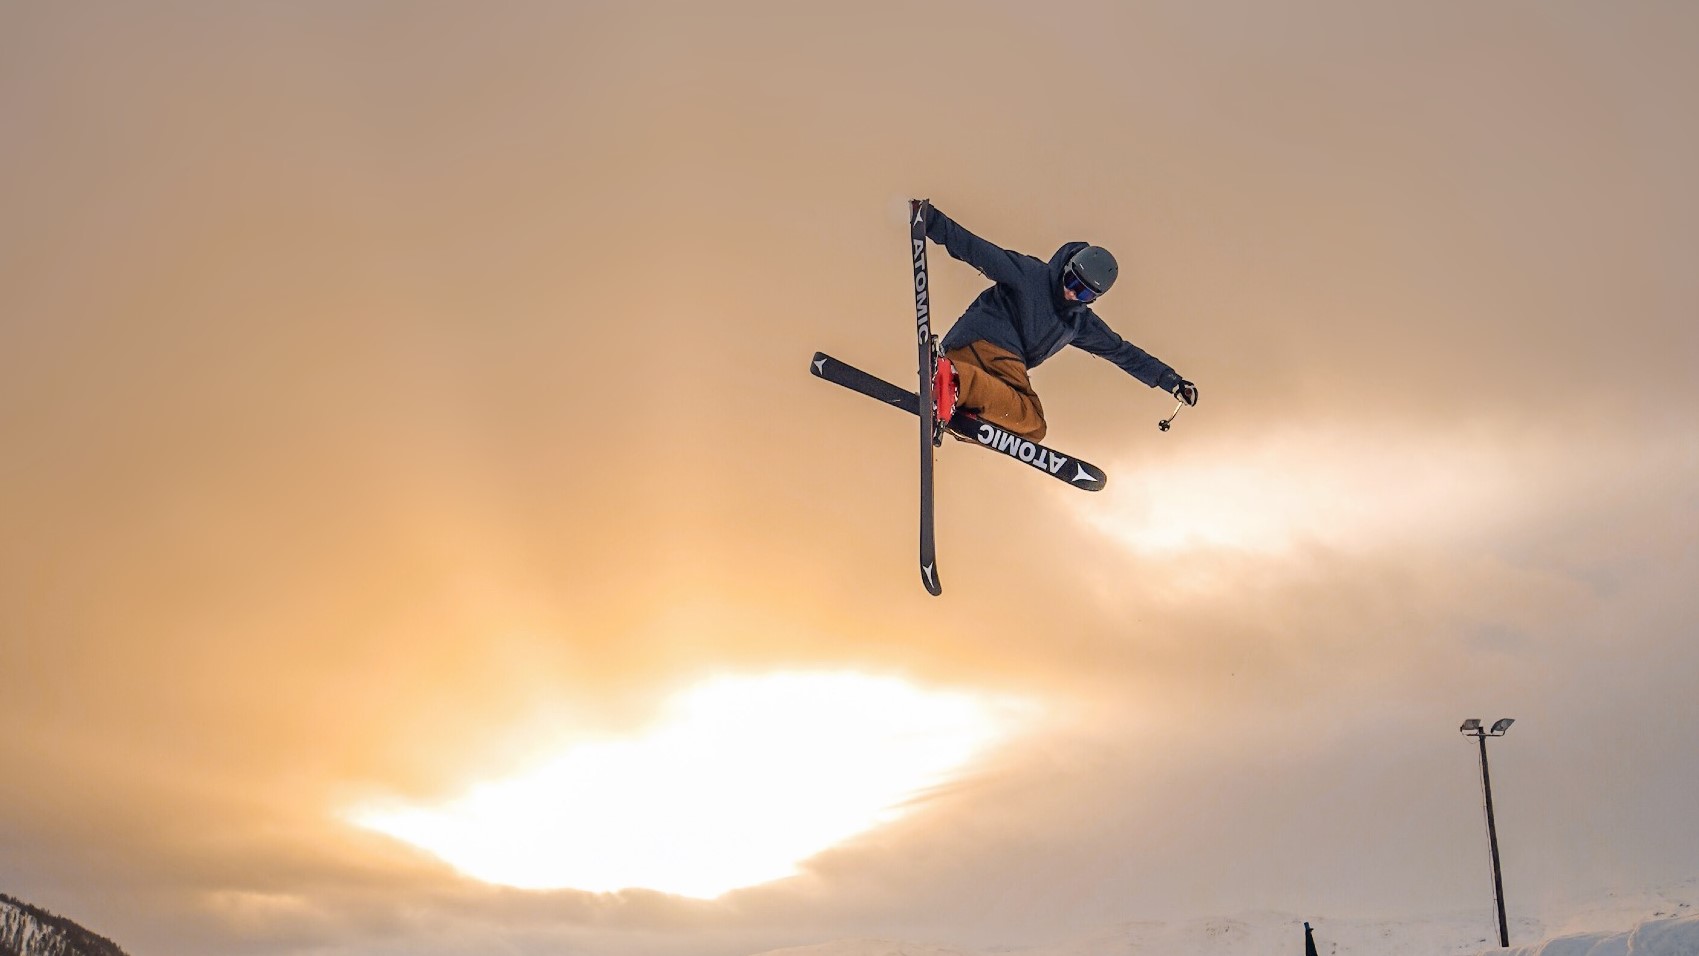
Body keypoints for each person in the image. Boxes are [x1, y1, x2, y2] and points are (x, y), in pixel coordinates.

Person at [922, 203, 1197, 441]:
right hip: (983, 347)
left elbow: (1124, 353)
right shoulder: (1031, 276)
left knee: (1030, 433)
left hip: (994, 372)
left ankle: (957, 402)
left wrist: (1171, 381)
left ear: (1093, 298)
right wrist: (929, 220)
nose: (1072, 292)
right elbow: (977, 250)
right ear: (1065, 268)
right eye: (1072, 280)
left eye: (1084, 292)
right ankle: (954, 381)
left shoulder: (1079, 323)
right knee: (1031, 420)